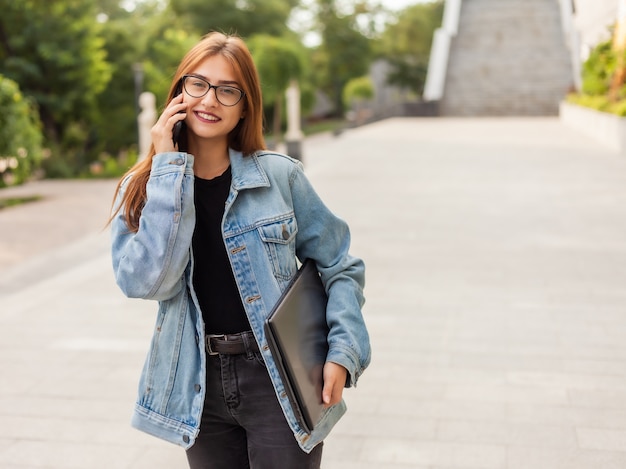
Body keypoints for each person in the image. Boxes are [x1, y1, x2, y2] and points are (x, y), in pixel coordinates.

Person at [109, 31, 370, 469]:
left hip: (279, 375)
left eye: (228, 90)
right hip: (198, 382)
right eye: (198, 84)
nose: (210, 100)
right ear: (179, 92)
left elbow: (339, 265)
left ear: (245, 105)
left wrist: (343, 353)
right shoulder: (144, 189)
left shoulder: (279, 178)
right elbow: (146, 282)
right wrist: (169, 169)